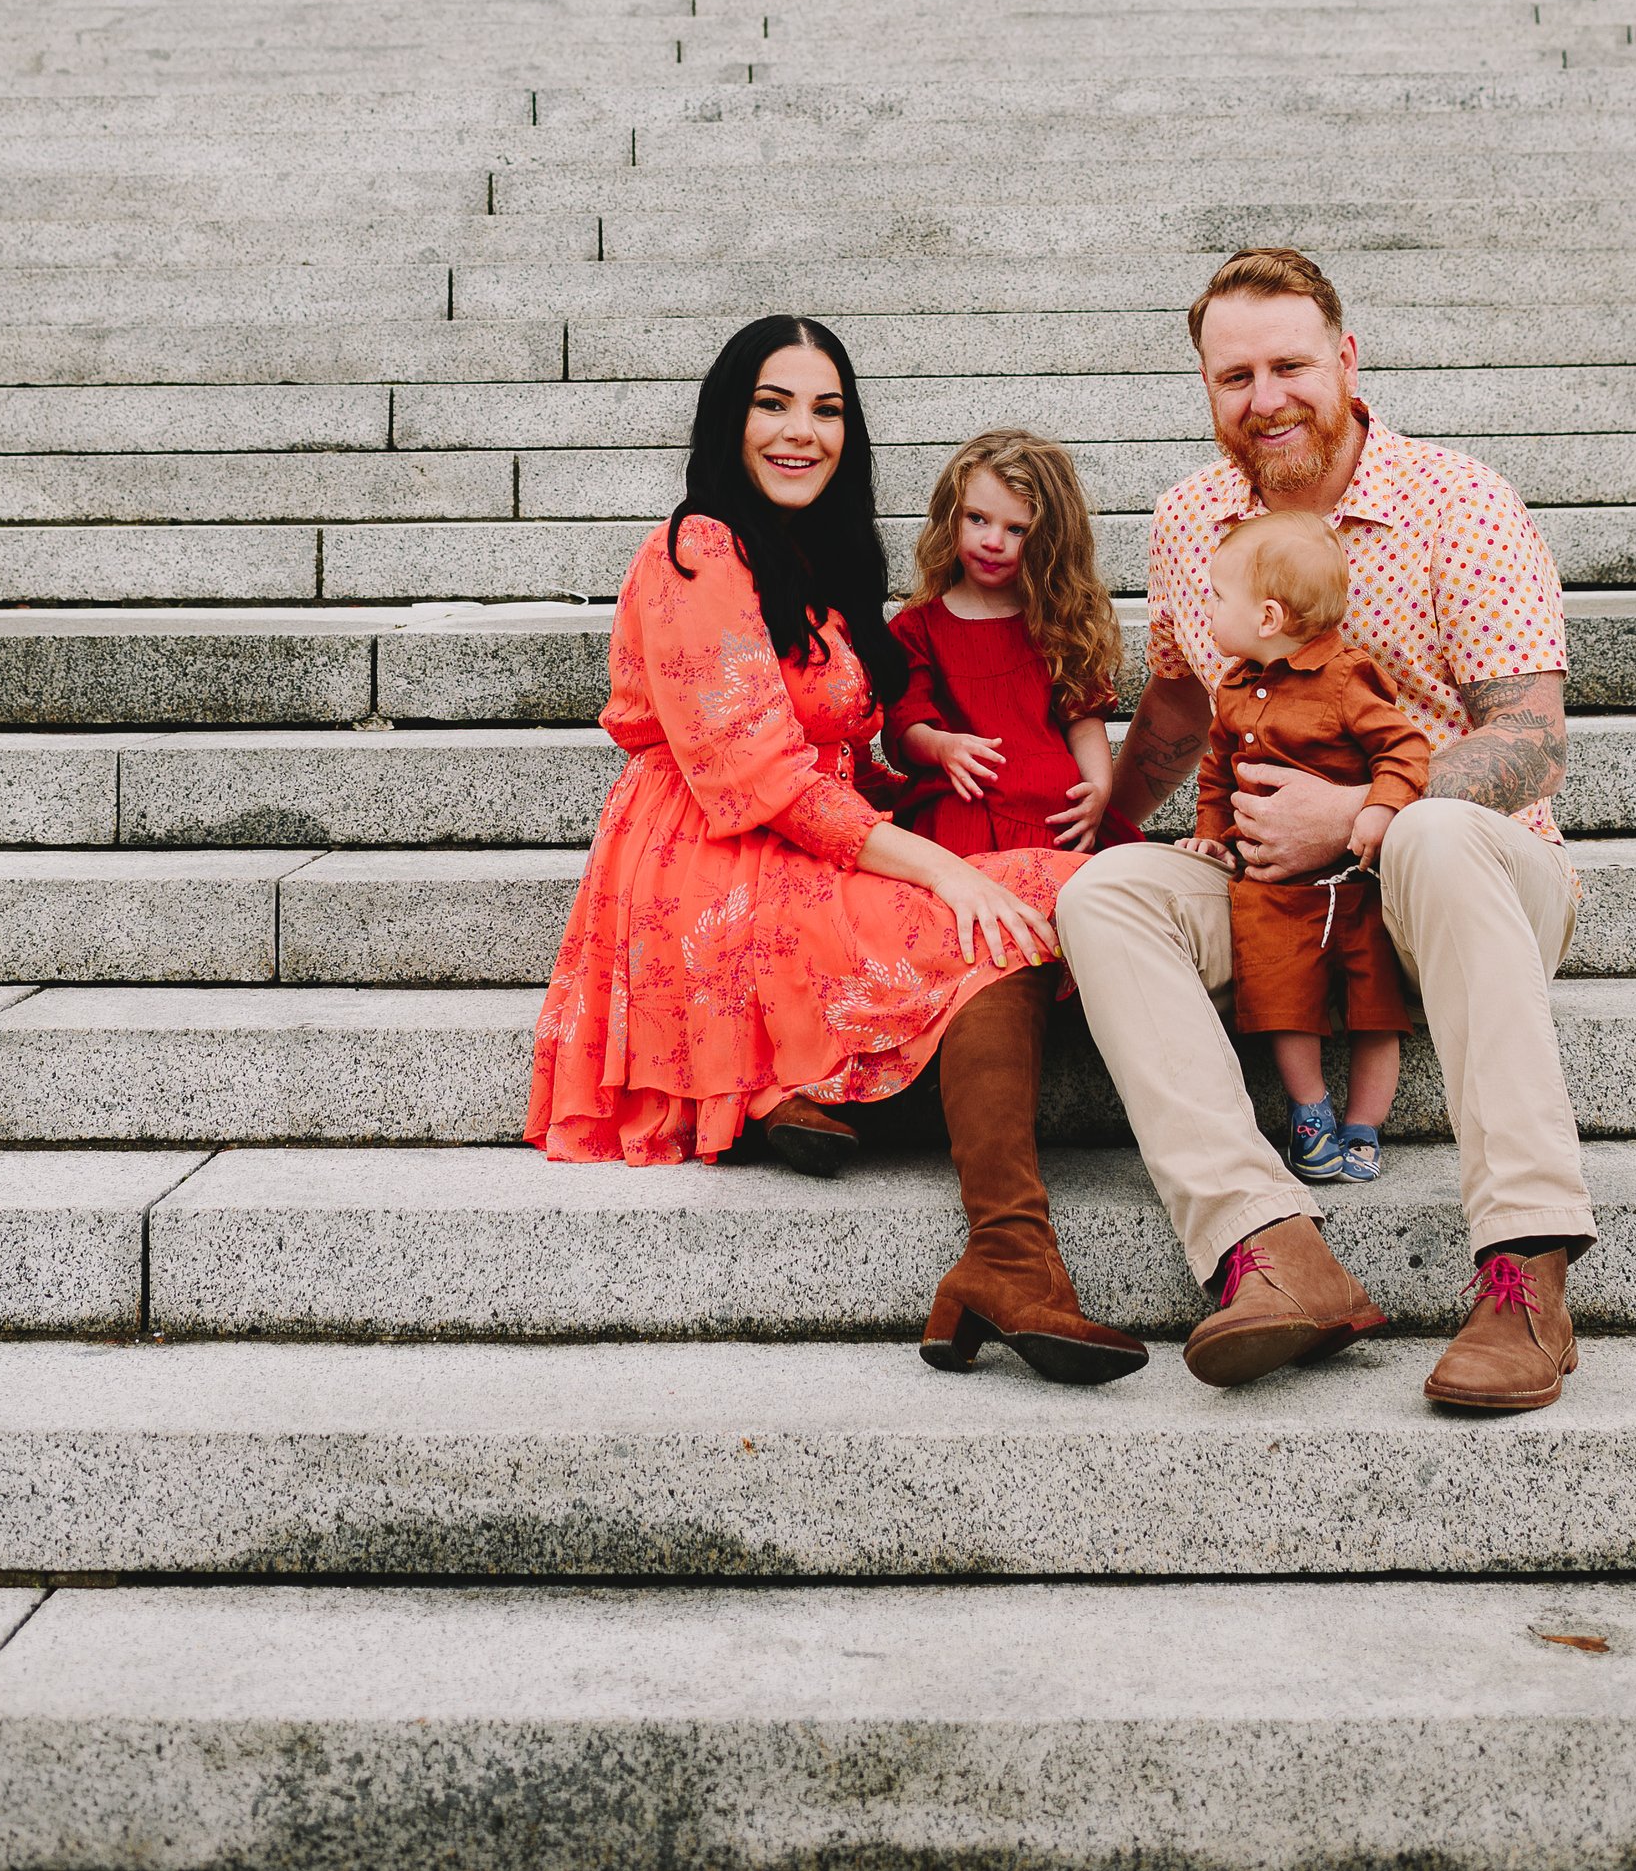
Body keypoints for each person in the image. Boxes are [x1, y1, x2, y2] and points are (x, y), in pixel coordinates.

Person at [526, 314, 1146, 1385]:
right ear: (732, 415)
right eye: (774, 403)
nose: (800, 431)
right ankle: (1003, 1249)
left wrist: (918, 804)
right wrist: (934, 861)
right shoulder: (695, 550)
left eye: (826, 409)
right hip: (705, 862)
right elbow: (756, 773)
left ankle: (999, 1254)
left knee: (1024, 900)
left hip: (801, 842)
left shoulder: (819, 563)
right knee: (992, 902)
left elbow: (849, 757)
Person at [1056, 244, 1595, 1415]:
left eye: (1289, 363)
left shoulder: (1458, 501)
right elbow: (1179, 700)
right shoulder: (1190, 520)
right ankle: (1272, 1252)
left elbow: (1536, 735)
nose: (1265, 398)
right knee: (1103, 897)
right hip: (1282, 901)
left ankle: (1524, 1270)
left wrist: (1362, 814)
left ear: (1346, 360)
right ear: (1205, 388)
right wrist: (1101, 824)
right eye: (1232, 375)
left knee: (1433, 835)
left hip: (1471, 888)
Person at [1172, 504, 1432, 1188]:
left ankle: (1366, 1124)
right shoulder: (1232, 688)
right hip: (1273, 894)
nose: (1207, 608)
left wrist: (1380, 806)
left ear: (1267, 618)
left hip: (1353, 884)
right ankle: (1310, 1110)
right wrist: (1211, 833)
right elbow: (1215, 768)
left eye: (1217, 597)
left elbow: (1404, 747)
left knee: (1375, 1011)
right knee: (1284, 999)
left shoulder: (1347, 679)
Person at [883, 430, 1128, 858]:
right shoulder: (917, 628)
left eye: (1017, 529)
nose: (992, 542)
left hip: (1054, 818)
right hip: (964, 812)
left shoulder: (1058, 622)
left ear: (1049, 541)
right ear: (950, 515)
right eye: (976, 518)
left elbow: (1083, 719)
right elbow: (906, 726)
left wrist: (1099, 789)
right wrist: (943, 747)